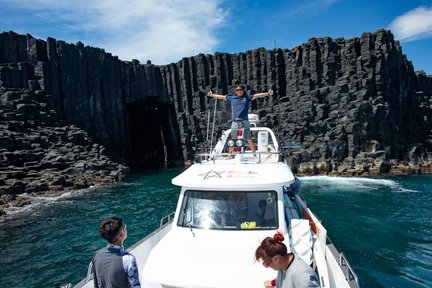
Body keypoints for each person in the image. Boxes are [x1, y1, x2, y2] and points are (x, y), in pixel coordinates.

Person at [207, 84, 273, 154]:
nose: (239, 91)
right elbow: (222, 97)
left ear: (243, 90)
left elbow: (258, 95)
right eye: (237, 90)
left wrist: (268, 93)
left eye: (240, 90)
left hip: (245, 121)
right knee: (233, 139)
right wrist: (212, 95)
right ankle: (229, 155)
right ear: (235, 91)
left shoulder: (247, 98)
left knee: (248, 138)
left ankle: (254, 154)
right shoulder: (232, 98)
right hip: (235, 121)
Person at [255, 231, 320, 288]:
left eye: (266, 263)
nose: (267, 266)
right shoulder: (283, 263)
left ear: (276, 259)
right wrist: (273, 283)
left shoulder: (304, 279)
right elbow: (285, 278)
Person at [92, 216, 141, 288]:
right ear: (122, 234)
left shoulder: (97, 255)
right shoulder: (128, 259)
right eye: (124, 227)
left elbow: (96, 285)